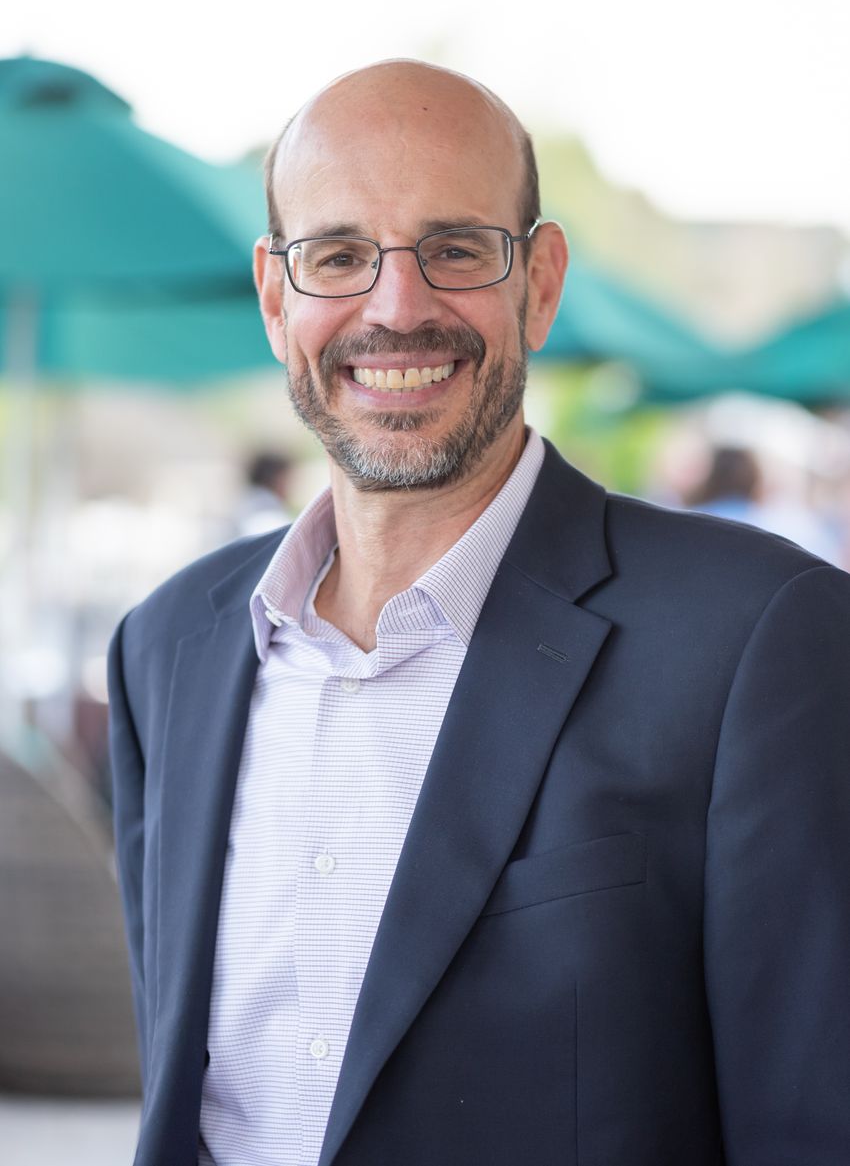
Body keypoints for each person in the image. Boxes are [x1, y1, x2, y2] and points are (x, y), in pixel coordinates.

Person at [108, 61, 850, 1166]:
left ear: (539, 283)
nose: (396, 308)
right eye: (338, 255)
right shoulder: (164, 647)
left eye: (455, 250)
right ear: (276, 296)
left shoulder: (760, 639)